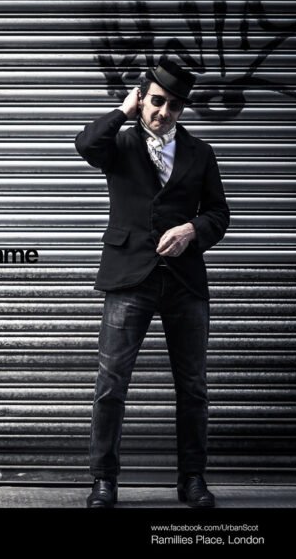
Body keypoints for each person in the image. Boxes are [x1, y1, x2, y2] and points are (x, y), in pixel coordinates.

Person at [74, 57, 230, 508]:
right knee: (111, 385)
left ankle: (192, 479)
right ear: (143, 97)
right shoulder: (119, 144)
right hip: (129, 277)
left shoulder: (200, 152)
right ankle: (104, 480)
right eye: (157, 102)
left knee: (193, 387)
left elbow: (219, 213)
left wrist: (192, 230)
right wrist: (124, 110)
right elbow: (85, 144)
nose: (164, 112)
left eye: (174, 106)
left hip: (185, 281)